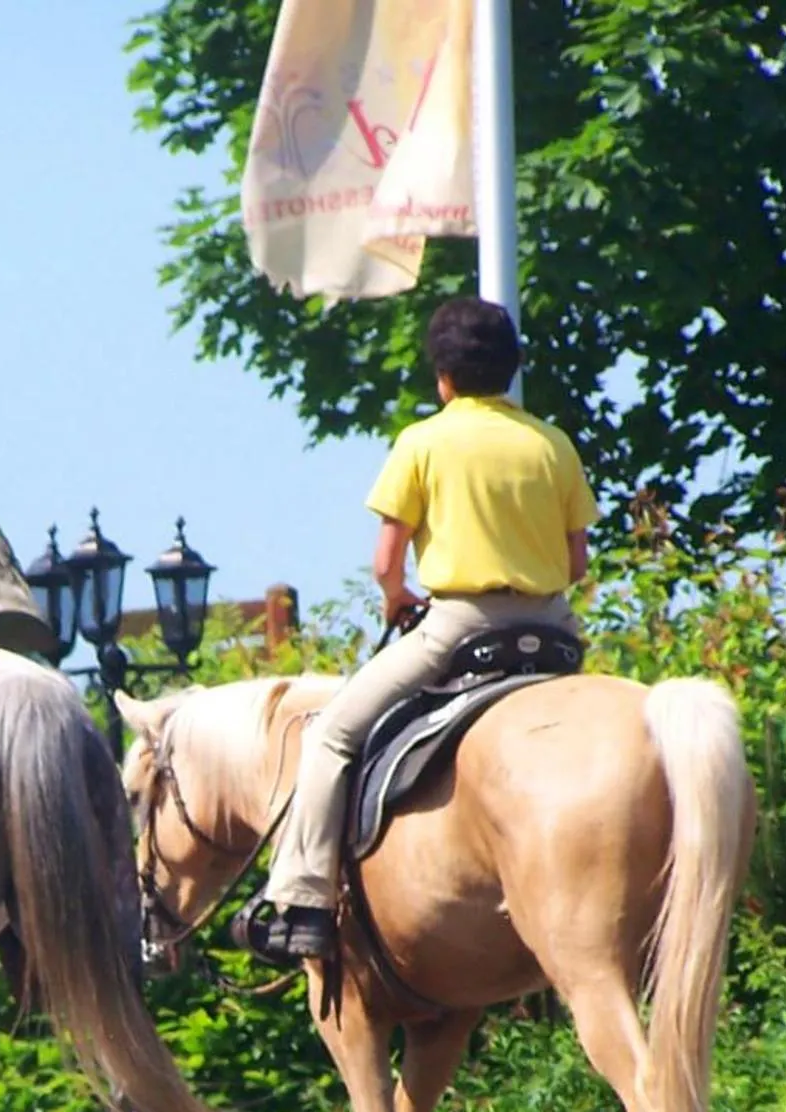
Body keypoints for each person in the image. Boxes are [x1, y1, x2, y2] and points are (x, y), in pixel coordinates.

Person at [237, 295, 596, 965]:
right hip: (552, 629)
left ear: (443, 377)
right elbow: (575, 561)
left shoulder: (422, 442)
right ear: (511, 369)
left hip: (460, 626)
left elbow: (385, 563)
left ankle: (305, 898)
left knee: (332, 733)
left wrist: (398, 598)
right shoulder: (553, 444)